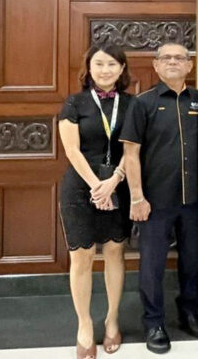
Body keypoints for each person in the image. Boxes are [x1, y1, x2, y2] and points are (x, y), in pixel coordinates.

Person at [120, 42, 198, 354]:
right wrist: (136, 197)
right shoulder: (142, 103)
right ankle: (154, 322)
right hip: (154, 201)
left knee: (191, 261)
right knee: (152, 265)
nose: (173, 62)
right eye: (166, 58)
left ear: (189, 66)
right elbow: (131, 154)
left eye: (179, 58)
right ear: (156, 65)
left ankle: (189, 312)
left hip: (192, 199)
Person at [59, 44, 133, 359]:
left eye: (112, 64)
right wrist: (96, 187)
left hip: (119, 184)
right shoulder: (74, 103)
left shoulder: (131, 104)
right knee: (82, 256)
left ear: (122, 68)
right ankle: (85, 325)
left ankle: (112, 318)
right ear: (89, 67)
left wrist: (114, 181)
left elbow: (133, 148)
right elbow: (71, 150)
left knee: (115, 252)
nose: (105, 70)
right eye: (99, 64)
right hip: (81, 188)